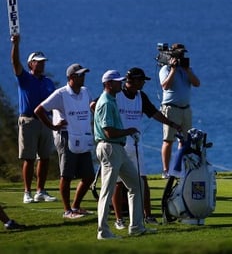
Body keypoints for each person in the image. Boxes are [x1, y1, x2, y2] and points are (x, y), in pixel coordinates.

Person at [112, 67, 182, 229]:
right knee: (118, 183)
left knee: (142, 180)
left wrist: (171, 124)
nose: (143, 83)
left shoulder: (140, 96)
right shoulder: (117, 95)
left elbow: (154, 113)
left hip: (136, 145)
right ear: (134, 80)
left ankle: (148, 215)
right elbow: (96, 105)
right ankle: (119, 219)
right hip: (119, 144)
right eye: (141, 80)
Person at [94, 70, 155, 240]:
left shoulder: (112, 99)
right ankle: (103, 231)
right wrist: (129, 131)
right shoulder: (106, 102)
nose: (120, 84)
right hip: (110, 148)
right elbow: (108, 132)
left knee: (136, 185)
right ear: (108, 84)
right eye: (116, 82)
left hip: (117, 148)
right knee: (107, 190)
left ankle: (136, 227)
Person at [34, 64, 95, 219]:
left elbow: (91, 106)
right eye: (80, 75)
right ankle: (67, 210)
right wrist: (53, 126)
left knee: (88, 176)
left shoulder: (85, 91)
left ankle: (76, 206)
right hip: (66, 137)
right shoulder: (60, 94)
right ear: (71, 77)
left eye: (83, 75)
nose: (83, 78)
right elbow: (39, 110)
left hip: (82, 136)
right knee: (66, 175)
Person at [10, 34, 57, 204]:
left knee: (44, 158)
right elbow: (15, 63)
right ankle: (27, 192)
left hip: (45, 122)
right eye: (38, 61)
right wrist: (16, 44)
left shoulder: (48, 82)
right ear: (31, 64)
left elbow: (55, 101)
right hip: (28, 121)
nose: (42, 63)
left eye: (43, 61)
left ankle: (40, 191)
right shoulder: (25, 78)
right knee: (29, 158)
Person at [159, 43, 200, 178]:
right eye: (179, 54)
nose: (182, 56)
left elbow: (196, 83)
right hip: (171, 109)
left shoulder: (188, 68)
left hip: (185, 109)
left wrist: (187, 70)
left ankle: (180, 168)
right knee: (168, 139)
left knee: (185, 140)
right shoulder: (165, 69)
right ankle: (166, 170)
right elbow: (165, 86)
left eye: (183, 54)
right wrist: (173, 70)